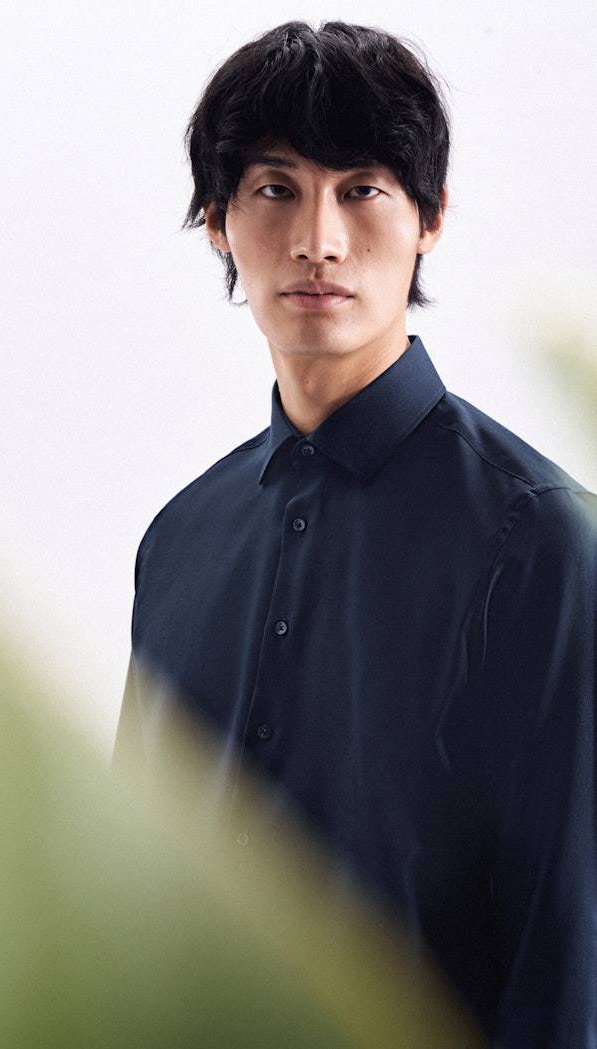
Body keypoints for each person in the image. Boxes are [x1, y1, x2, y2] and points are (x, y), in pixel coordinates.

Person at [116, 21, 597, 1047]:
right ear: (217, 221)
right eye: (274, 188)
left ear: (430, 218)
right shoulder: (181, 540)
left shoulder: (541, 540)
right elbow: (127, 900)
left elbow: (568, 955)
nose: (318, 240)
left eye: (363, 188)